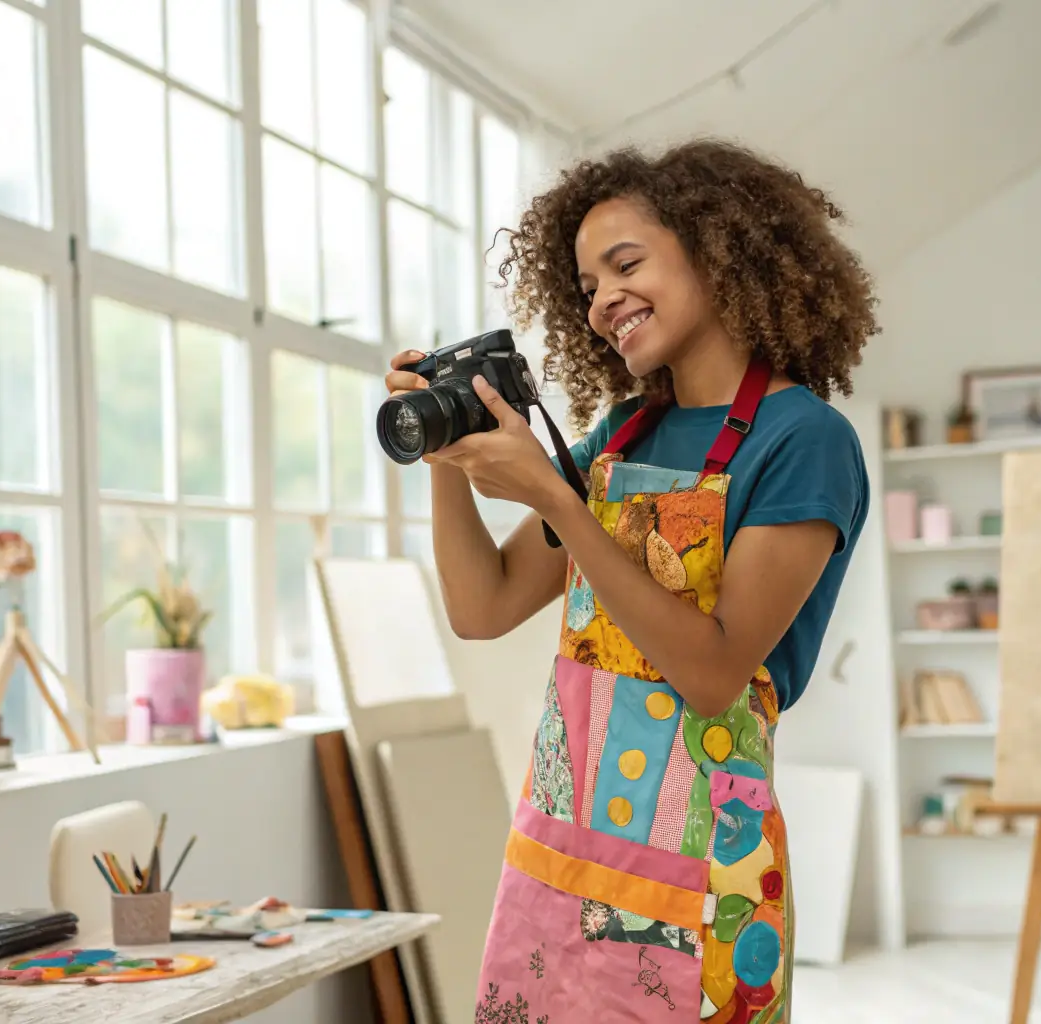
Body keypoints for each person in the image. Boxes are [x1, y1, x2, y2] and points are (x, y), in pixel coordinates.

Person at [384, 138, 876, 1023]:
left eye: (625, 264)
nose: (603, 299)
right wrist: (442, 453)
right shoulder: (619, 435)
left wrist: (559, 500)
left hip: (700, 871)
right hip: (560, 852)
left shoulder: (803, 440)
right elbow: (482, 607)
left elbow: (712, 672)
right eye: (586, 286)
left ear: (718, 253)